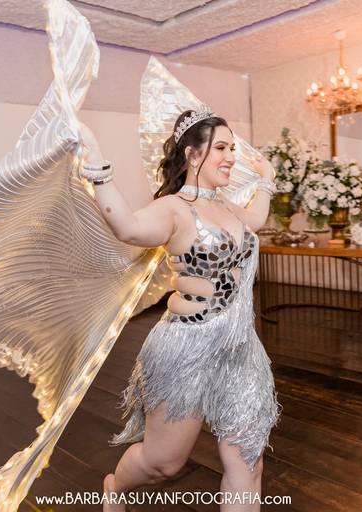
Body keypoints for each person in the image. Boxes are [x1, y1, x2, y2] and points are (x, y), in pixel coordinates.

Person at [79, 106, 282, 512]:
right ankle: (114, 488)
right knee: (163, 464)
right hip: (186, 349)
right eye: (221, 148)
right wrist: (97, 167)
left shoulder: (229, 206)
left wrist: (267, 179)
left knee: (248, 462)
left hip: (240, 349)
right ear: (192, 155)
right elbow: (128, 228)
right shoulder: (173, 208)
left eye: (232, 149)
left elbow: (255, 220)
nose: (230, 157)